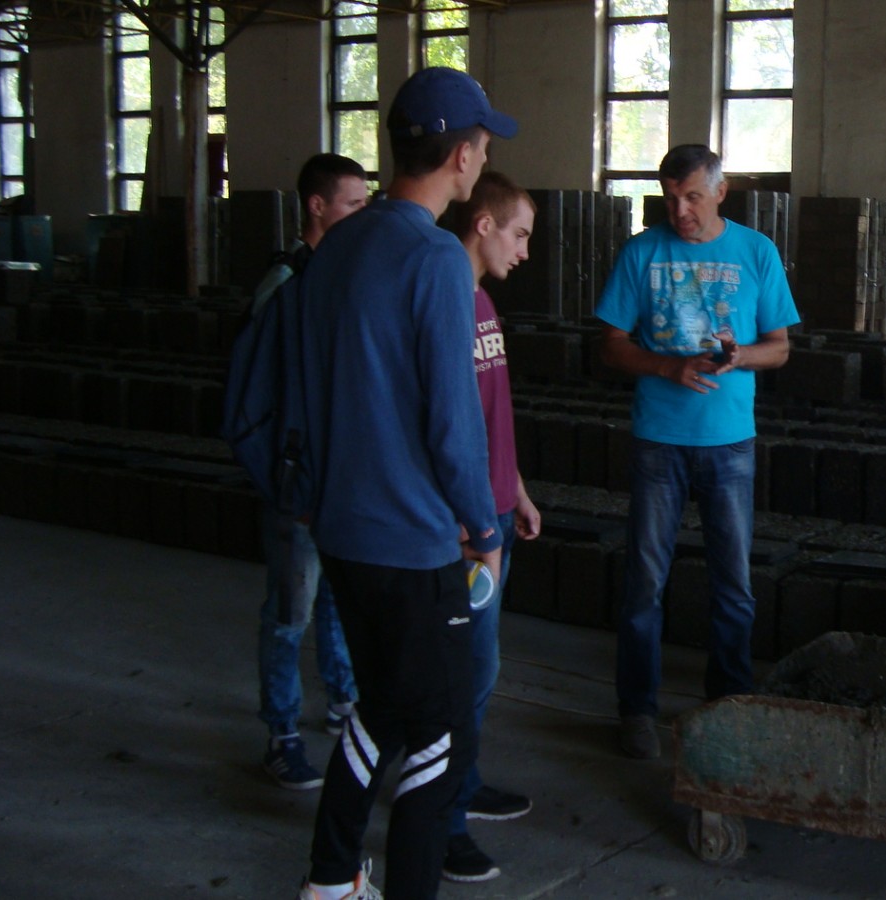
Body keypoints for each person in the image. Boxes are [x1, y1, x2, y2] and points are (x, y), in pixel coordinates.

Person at [291, 67, 516, 900]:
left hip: (342, 529)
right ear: (461, 156)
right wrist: (483, 528)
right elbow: (453, 423)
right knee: (437, 736)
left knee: (382, 707)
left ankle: (331, 879)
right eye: (481, 145)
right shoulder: (434, 259)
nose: (480, 158)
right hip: (414, 541)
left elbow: (304, 391)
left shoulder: (338, 247)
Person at [595, 144, 800, 760]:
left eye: (691, 197)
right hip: (659, 440)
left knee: (733, 583)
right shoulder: (642, 253)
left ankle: (728, 703)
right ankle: (637, 709)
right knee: (644, 583)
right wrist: (668, 366)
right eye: (670, 198)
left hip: (729, 443)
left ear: (719, 192)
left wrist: (741, 356)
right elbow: (610, 344)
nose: (679, 210)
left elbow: (780, 347)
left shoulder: (756, 252)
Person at [434, 171, 543, 883]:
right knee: (461, 676)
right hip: (470, 526)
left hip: (495, 509)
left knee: (481, 669)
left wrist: (517, 492)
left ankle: (464, 786)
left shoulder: (481, 301)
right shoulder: (446, 304)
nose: (525, 251)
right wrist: (473, 524)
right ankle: (442, 824)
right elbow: (442, 429)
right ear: (483, 225)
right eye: (520, 234)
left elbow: (489, 415)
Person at [254, 152, 370, 791]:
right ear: (317, 207)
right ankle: (281, 731)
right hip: (297, 478)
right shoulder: (284, 285)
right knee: (289, 610)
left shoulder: (343, 277)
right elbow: (263, 394)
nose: (362, 215)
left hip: (339, 477)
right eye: (353, 204)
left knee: (336, 599)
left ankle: (343, 700)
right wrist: (283, 472)